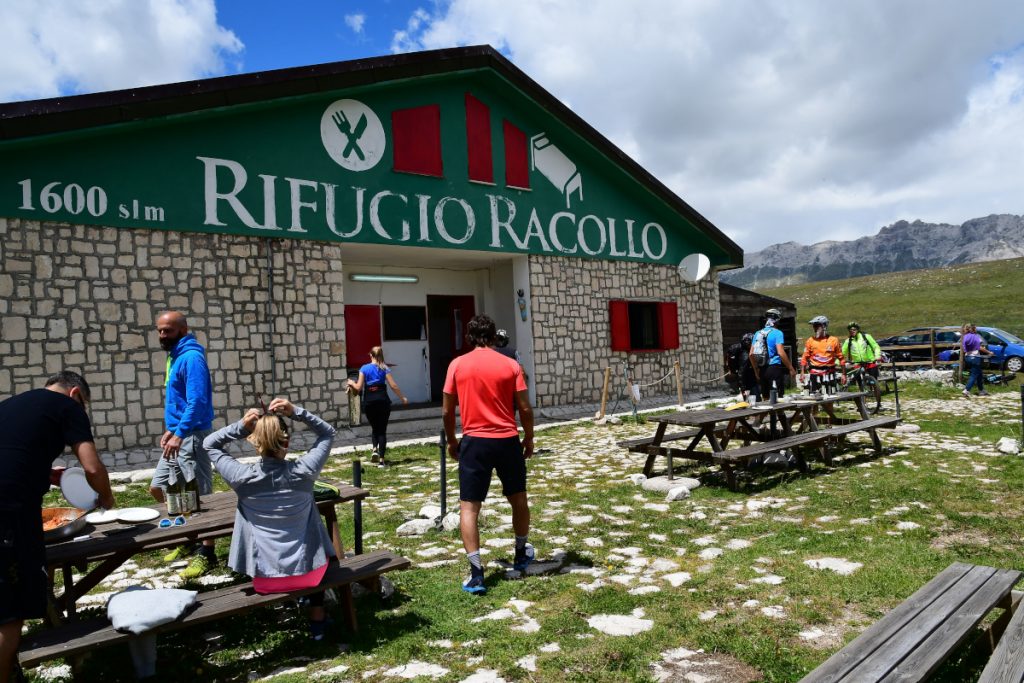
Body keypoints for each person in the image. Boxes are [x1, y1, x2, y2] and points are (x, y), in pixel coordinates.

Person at [0, 372, 116, 683]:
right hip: (9, 513)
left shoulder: (13, 404)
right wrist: (107, 498)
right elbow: (92, 467)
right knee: (9, 609)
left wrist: (42, 471)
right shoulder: (69, 407)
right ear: (76, 394)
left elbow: (12, 452)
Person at [202, 398, 338, 640]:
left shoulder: (241, 478)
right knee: (316, 545)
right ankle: (317, 622)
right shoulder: (304, 472)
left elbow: (210, 444)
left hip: (264, 580)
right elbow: (327, 433)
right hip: (310, 575)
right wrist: (297, 412)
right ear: (286, 442)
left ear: (256, 445)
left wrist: (241, 426)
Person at [442, 314, 534, 595]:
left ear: (469, 337)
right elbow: (525, 408)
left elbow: (447, 411)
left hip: (475, 441)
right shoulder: (511, 365)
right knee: (518, 499)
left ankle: (476, 573)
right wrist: (529, 437)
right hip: (507, 439)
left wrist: (452, 441)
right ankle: (520, 554)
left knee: (469, 508)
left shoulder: (457, 365)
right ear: (494, 336)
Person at [149, 311, 217, 579]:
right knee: (159, 487)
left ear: (183, 329)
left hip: (192, 435)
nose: (163, 335)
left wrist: (180, 432)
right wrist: (171, 430)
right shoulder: (174, 355)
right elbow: (178, 400)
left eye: (168, 330)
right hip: (178, 434)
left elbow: (197, 401)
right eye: (160, 330)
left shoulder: (191, 358)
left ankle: (206, 552)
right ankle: (188, 537)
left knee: (199, 495)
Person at [346, 346, 408, 467]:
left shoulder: (364, 368)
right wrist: (402, 398)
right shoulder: (384, 367)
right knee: (382, 430)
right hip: (383, 400)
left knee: (375, 427)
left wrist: (351, 383)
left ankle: (374, 449)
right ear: (380, 355)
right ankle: (381, 461)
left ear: (370, 355)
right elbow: (393, 386)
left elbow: (358, 388)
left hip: (369, 401)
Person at [754, 308, 797, 400]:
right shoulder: (777, 333)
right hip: (774, 368)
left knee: (765, 398)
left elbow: (751, 354)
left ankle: (769, 415)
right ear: (777, 320)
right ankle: (779, 415)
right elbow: (781, 352)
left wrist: (756, 370)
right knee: (777, 398)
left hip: (762, 369)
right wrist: (791, 368)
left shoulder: (758, 333)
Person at [800, 315, 846, 394]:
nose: (814, 328)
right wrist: (802, 373)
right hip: (814, 373)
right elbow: (804, 357)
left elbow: (841, 358)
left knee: (829, 400)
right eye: (814, 326)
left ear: (824, 326)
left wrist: (844, 374)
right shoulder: (810, 340)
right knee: (814, 400)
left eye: (817, 326)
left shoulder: (833, 340)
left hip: (829, 373)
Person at [842, 322, 883, 408]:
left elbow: (876, 347)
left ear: (857, 330)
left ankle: (878, 402)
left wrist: (877, 356)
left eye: (854, 329)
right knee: (860, 385)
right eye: (850, 330)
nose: (852, 331)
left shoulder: (866, 337)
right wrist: (837, 363)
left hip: (870, 362)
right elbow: (841, 354)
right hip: (858, 364)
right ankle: (863, 405)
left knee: (874, 383)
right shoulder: (848, 341)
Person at [961, 323, 993, 397]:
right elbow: (980, 348)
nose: (977, 329)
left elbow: (964, 349)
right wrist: (989, 352)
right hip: (975, 357)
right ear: (973, 329)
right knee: (974, 375)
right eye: (976, 328)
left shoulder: (965, 337)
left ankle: (981, 390)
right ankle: (966, 390)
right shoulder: (976, 337)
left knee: (979, 374)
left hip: (967, 357)